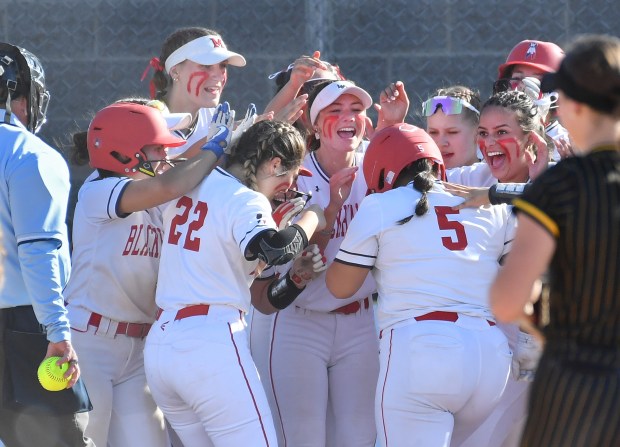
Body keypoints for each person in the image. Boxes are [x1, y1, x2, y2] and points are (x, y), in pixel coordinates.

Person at [325, 123, 513, 447]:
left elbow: (340, 287)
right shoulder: (487, 205)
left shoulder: (380, 206)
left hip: (425, 351)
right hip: (492, 357)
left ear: (381, 170)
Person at [144, 120, 326, 446]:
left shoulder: (194, 180)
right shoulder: (245, 199)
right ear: (273, 164)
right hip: (209, 340)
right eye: (289, 174)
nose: (288, 185)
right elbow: (278, 247)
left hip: (162, 345)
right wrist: (311, 217)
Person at [64, 100, 234, 446]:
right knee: (86, 442)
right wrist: (217, 147)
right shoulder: (99, 191)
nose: (165, 156)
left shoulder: (153, 192)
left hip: (138, 348)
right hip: (90, 341)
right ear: (125, 153)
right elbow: (169, 184)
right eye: (156, 148)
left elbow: (180, 170)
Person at [491, 33, 620, 447]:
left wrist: (546, 319)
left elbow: (509, 301)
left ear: (574, 105)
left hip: (572, 379)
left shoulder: (560, 184)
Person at [262, 79, 380, 447]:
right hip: (299, 321)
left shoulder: (375, 168)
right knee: (302, 438)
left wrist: (393, 126)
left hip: (360, 321)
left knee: (359, 437)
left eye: (357, 110)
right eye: (335, 111)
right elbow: (285, 256)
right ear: (314, 124)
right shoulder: (294, 174)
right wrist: (330, 210)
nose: (349, 118)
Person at [0, 42, 93, 446]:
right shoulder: (31, 155)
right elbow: (37, 252)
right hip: (25, 322)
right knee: (64, 440)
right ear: (19, 97)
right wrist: (57, 330)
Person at [144, 26, 250, 158]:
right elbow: (160, 175)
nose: (218, 76)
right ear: (175, 71)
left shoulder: (216, 119)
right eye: (206, 65)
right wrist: (215, 141)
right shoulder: (144, 120)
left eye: (223, 65)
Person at [494, 39, 571, 161]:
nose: (524, 86)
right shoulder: (490, 136)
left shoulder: (566, 143)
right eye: (518, 78)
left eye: (537, 81)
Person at [423, 85, 481, 169]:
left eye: (452, 132)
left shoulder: (495, 177)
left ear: (478, 133)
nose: (441, 143)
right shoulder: (416, 177)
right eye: (433, 132)